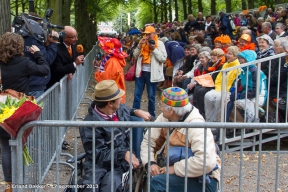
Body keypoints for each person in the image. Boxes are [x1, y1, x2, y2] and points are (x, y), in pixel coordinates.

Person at [140, 87, 220, 192]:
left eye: (161, 105)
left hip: (204, 179)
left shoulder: (196, 126)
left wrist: (174, 169)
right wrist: (150, 163)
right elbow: (148, 141)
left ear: (171, 110)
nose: (160, 108)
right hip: (182, 174)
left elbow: (206, 162)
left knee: (158, 183)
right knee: (155, 180)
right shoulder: (165, 117)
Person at [79, 80, 151, 191]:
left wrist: (136, 111)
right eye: (118, 97)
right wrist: (123, 154)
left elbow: (127, 109)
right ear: (110, 103)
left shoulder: (120, 110)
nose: (121, 99)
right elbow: (98, 154)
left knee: (110, 185)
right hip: (98, 163)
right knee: (90, 187)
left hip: (121, 163)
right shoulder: (89, 124)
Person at [0, 32, 50, 192]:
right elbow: (44, 70)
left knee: (5, 148)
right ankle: (19, 183)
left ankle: (10, 185)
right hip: (18, 110)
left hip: (1, 108)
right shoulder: (24, 63)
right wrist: (39, 54)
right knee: (19, 144)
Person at [132, 25, 167, 119]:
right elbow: (135, 56)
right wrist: (139, 46)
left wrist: (154, 49)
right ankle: (135, 113)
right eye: (145, 34)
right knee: (137, 95)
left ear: (154, 34)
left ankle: (151, 115)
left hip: (152, 74)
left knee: (151, 96)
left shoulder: (159, 43)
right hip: (141, 72)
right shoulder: (142, 43)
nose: (147, 36)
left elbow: (163, 59)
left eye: (149, 34)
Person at [23, 15, 59, 98]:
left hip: (30, 84)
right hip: (35, 86)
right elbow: (47, 59)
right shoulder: (33, 40)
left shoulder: (23, 38)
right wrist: (53, 43)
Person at [204, 46, 241, 122]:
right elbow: (219, 78)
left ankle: (217, 120)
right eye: (227, 53)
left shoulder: (238, 66)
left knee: (219, 99)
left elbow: (234, 81)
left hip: (228, 90)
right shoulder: (225, 64)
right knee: (207, 96)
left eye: (230, 54)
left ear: (235, 56)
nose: (227, 55)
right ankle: (208, 119)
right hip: (219, 88)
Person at [93, 37, 128, 103]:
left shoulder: (112, 61)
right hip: (114, 95)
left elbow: (105, 81)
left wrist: (97, 69)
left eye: (105, 48)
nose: (103, 50)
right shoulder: (112, 59)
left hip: (112, 98)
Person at [193, 48, 226, 117]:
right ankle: (196, 110)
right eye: (212, 55)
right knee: (197, 88)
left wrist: (206, 83)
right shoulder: (211, 64)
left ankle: (202, 112)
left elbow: (215, 78)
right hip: (209, 83)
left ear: (220, 57)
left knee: (200, 91)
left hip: (215, 85)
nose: (212, 57)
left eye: (215, 55)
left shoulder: (222, 66)